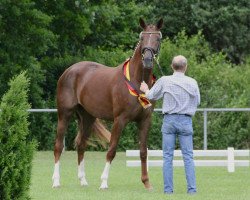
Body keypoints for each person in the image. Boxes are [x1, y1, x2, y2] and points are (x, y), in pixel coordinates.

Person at [140, 55, 200, 194]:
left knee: (167, 157)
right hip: (186, 121)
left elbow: (150, 96)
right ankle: (192, 190)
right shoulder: (192, 82)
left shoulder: (164, 80)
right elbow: (197, 101)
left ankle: (168, 191)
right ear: (186, 67)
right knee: (188, 157)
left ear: (172, 66)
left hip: (169, 121)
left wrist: (145, 89)